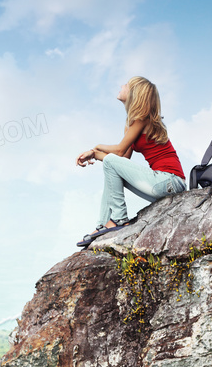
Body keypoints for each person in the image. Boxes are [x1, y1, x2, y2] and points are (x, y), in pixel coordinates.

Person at [75, 76, 186, 248]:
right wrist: (95, 155)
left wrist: (95, 148)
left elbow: (118, 151)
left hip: (170, 181)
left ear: (135, 94)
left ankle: (118, 218)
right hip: (162, 185)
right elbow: (121, 161)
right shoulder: (131, 125)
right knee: (111, 166)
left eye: (126, 85)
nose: (121, 85)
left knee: (110, 161)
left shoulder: (142, 119)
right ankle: (103, 224)